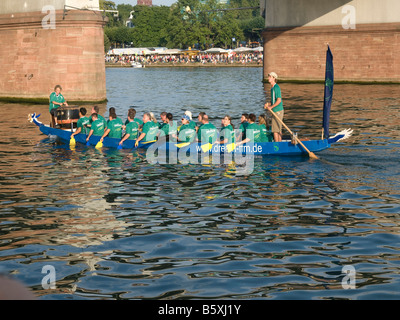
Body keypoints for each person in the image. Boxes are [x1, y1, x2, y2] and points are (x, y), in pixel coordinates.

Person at [264, 72, 284, 142]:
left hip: (277, 111)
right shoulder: (272, 88)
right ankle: (280, 144)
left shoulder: (276, 87)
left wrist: (271, 107)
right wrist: (268, 104)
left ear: (274, 78)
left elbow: (279, 100)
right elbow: (274, 101)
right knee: (277, 129)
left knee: (276, 130)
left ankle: (277, 145)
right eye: (268, 77)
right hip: (275, 110)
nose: (268, 78)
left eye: (270, 77)